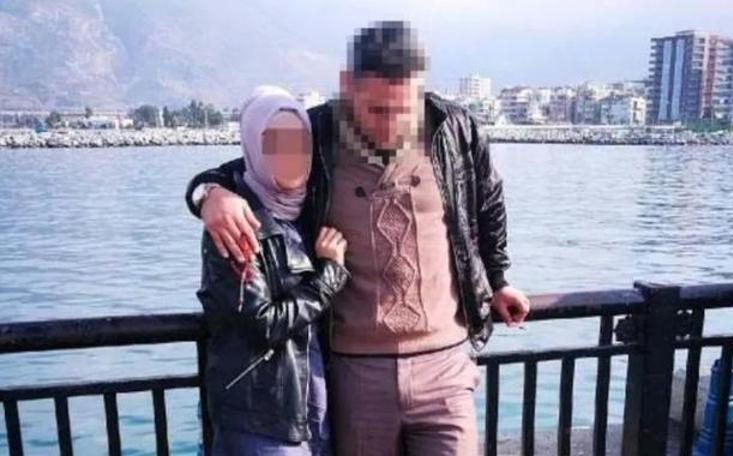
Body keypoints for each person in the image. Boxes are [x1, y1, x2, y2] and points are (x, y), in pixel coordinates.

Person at [187, 21, 530, 455]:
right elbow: (252, 168)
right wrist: (210, 194)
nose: (392, 124)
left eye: (404, 109)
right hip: (355, 372)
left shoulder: (454, 129)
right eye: (377, 110)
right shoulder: (318, 134)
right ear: (347, 86)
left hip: (446, 362)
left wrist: (499, 280)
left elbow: (489, 203)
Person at [196, 85, 349, 455]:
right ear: (253, 146)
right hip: (262, 420)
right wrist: (328, 277)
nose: (290, 154)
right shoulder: (236, 224)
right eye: (275, 142)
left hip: (315, 409)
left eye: (299, 142)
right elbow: (261, 323)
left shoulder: (310, 211)